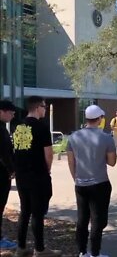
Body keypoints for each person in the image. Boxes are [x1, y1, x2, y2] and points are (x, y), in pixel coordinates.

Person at [12, 96, 61, 256]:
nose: (45, 109)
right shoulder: (41, 127)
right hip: (37, 174)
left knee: (25, 211)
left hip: (21, 175)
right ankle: (39, 249)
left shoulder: (18, 126)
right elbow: (48, 154)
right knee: (37, 212)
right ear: (38, 107)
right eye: (44, 106)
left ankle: (20, 247)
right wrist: (47, 170)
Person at [67, 105, 116, 257]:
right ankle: (95, 253)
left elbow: (71, 161)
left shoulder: (73, 137)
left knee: (82, 218)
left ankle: (82, 251)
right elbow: (112, 162)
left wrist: (76, 177)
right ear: (100, 119)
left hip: (80, 183)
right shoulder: (106, 137)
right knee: (97, 220)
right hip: (100, 183)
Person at [0, 100, 17, 250]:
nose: (13, 116)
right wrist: (11, 169)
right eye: (11, 113)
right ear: (2, 111)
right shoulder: (1, 130)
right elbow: (4, 154)